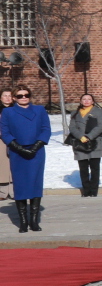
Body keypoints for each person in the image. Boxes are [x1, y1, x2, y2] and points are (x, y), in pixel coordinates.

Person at [2, 85, 50, 231]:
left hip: (37, 151)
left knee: (35, 183)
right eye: (20, 95)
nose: (24, 98)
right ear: (14, 98)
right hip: (18, 152)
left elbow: (46, 129)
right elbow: (5, 132)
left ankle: (34, 221)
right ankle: (23, 221)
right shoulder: (8, 112)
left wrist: (36, 146)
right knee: (21, 184)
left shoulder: (39, 110)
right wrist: (19, 148)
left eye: (26, 95)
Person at [64, 92, 102, 198]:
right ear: (81, 101)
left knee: (94, 167)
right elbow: (72, 127)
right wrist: (80, 136)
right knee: (83, 168)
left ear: (92, 101)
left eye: (89, 99)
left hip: (95, 142)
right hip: (80, 144)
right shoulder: (75, 113)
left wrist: (89, 136)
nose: (86, 101)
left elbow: (101, 126)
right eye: (84, 99)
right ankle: (86, 190)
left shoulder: (97, 111)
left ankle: (93, 190)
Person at [0, 89, 12, 203]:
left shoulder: (16, 109)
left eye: (10, 95)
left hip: (15, 139)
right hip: (1, 140)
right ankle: (3, 192)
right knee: (3, 166)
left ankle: (14, 191)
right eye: (5, 96)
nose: (8, 98)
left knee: (14, 164)